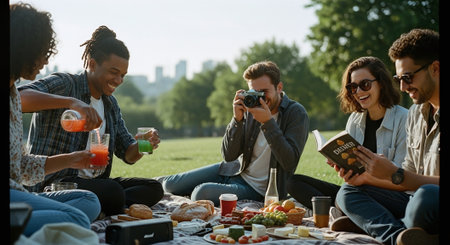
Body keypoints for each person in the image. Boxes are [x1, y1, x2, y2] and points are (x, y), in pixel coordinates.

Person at [18, 25, 164, 216]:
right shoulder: (66, 84)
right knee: (112, 192)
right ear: (93, 64)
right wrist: (72, 103)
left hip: (95, 183)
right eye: (114, 72)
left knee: (154, 188)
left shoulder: (110, 104)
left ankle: (104, 206)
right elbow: (19, 97)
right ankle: (106, 204)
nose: (119, 80)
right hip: (55, 184)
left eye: (122, 75)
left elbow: (128, 154)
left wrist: (145, 144)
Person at [336, 29, 439, 245]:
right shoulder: (415, 114)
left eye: (408, 77)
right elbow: (408, 178)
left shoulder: (401, 116)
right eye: (399, 79)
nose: (402, 87)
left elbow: (406, 178)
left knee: (426, 197)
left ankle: (375, 224)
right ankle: (398, 237)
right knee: (347, 192)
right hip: (411, 199)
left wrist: (394, 174)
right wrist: (367, 179)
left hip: (429, 201)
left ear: (436, 68)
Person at [161, 61, 309, 206]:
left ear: (279, 87)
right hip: (234, 171)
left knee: (201, 193)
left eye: (264, 92)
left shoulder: (296, 113)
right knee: (169, 185)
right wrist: (236, 121)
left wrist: (268, 123)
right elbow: (229, 156)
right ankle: (147, 183)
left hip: (259, 189)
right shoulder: (251, 107)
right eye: (255, 93)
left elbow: (289, 162)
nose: (261, 98)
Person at [10, 3, 101, 236]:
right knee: (76, 218)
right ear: (24, 47)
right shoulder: (23, 93)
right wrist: (72, 102)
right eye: (42, 51)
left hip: (17, 191)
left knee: (88, 200)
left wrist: (71, 160)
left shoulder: (12, 95)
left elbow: (20, 167)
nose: (45, 60)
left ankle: (22, 221)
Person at [286, 56, 408, 229]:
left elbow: (405, 177)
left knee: (347, 193)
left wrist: (366, 179)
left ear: (381, 83)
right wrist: (342, 167)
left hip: (392, 194)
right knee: (293, 182)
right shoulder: (355, 119)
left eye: (365, 84)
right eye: (352, 87)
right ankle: (346, 215)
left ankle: (346, 214)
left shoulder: (404, 119)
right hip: (357, 190)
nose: (358, 91)